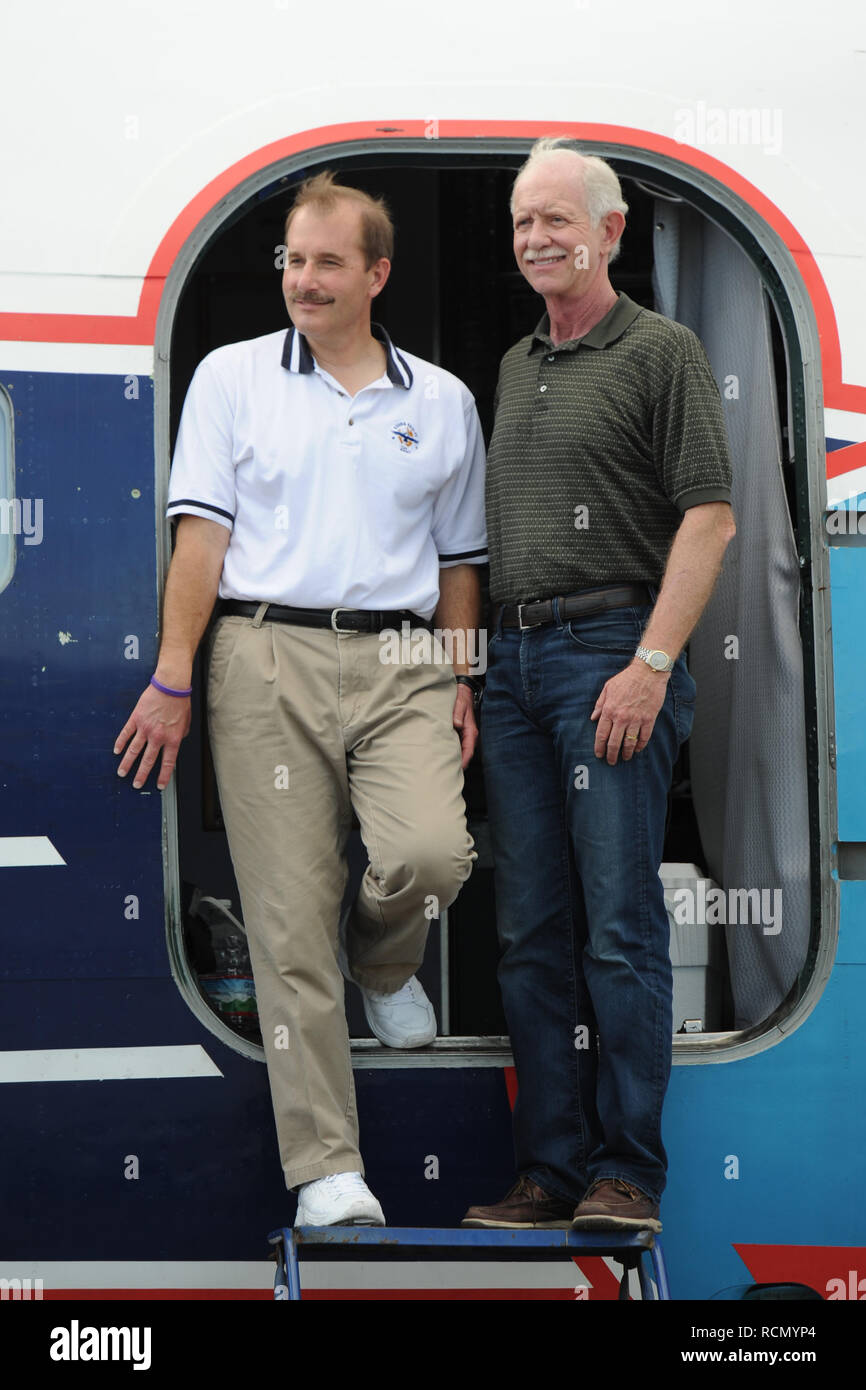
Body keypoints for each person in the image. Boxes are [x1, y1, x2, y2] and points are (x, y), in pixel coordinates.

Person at [114, 171, 487, 1227]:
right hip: (261, 655)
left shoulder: (443, 400)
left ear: (376, 273)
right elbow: (202, 542)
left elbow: (460, 560)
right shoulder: (231, 380)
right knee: (285, 924)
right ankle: (327, 1168)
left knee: (428, 856)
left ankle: (381, 958)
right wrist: (173, 678)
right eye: (292, 258)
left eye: (328, 261)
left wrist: (461, 672)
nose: (304, 278)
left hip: (404, 659)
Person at [462, 138, 735, 1233]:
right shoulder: (512, 364)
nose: (536, 239)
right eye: (523, 221)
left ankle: (629, 1175)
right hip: (517, 668)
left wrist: (649, 665)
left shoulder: (660, 351)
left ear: (609, 232)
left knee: (616, 927)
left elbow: (709, 520)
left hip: (613, 655)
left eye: (556, 220)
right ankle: (548, 1174)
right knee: (528, 930)